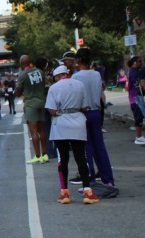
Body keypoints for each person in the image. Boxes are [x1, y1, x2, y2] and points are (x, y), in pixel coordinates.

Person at [45, 65, 97, 205]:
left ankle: (64, 193)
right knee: (81, 158)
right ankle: (88, 192)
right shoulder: (79, 85)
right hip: (77, 123)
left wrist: (61, 112)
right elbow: (84, 107)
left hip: (60, 125)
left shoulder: (53, 88)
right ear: (66, 73)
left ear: (57, 76)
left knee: (63, 159)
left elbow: (51, 110)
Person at [73, 49, 114, 188]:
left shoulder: (76, 77)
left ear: (78, 60)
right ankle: (108, 179)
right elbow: (100, 93)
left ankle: (89, 179)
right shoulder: (96, 74)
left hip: (83, 113)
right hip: (96, 112)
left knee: (86, 148)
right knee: (100, 147)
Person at [16, 54, 48, 163]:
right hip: (42, 103)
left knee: (34, 132)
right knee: (42, 130)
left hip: (30, 104)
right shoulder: (40, 72)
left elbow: (18, 92)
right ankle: (45, 154)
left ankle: (37, 156)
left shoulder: (23, 75)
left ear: (21, 64)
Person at [127, 57, 145, 145]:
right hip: (135, 99)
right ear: (134, 62)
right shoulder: (133, 72)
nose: (141, 63)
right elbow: (138, 84)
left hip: (137, 98)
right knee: (138, 118)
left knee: (140, 117)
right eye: (139, 61)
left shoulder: (135, 71)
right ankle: (138, 137)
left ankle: (140, 136)